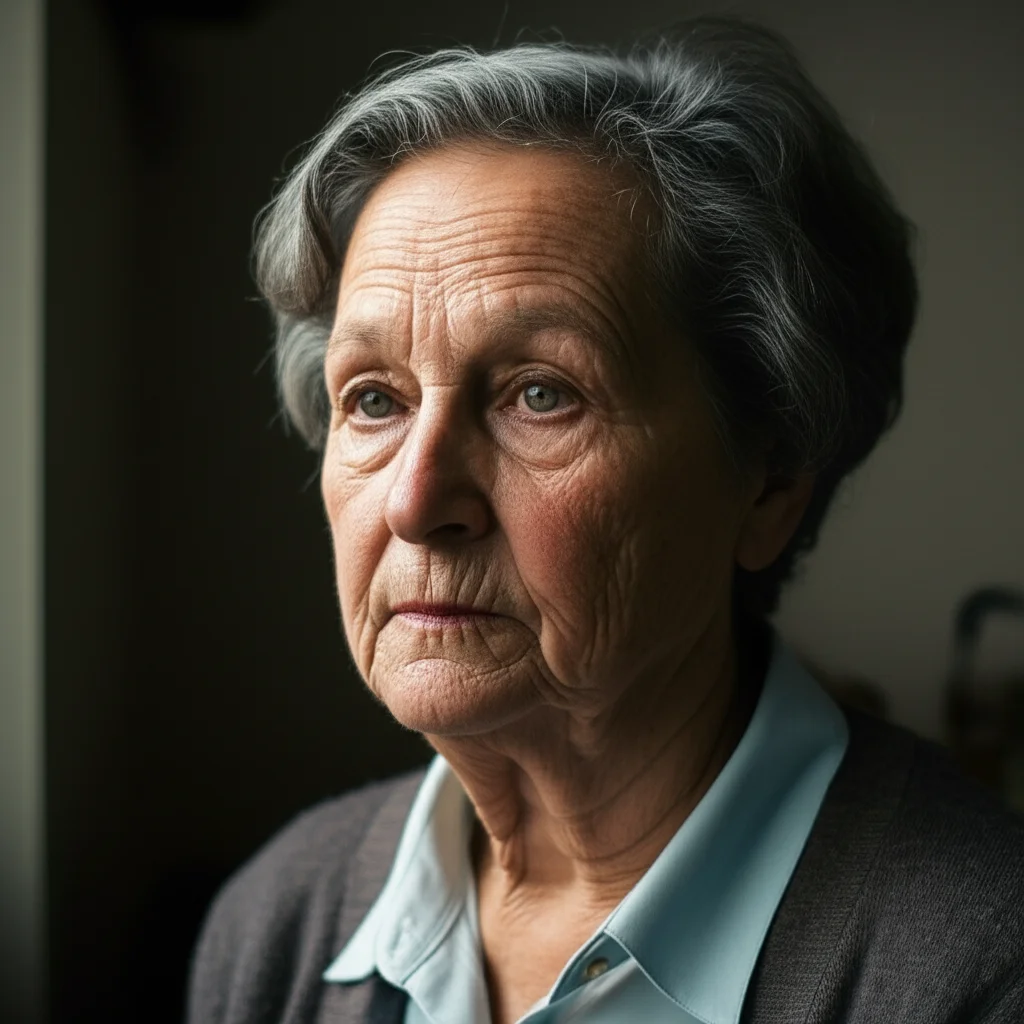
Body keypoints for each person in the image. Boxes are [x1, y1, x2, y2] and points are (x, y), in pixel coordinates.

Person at [186, 17, 1024, 1024]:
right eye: (374, 399)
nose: (414, 502)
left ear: (769, 479)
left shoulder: (979, 963)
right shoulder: (278, 920)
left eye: (539, 395)